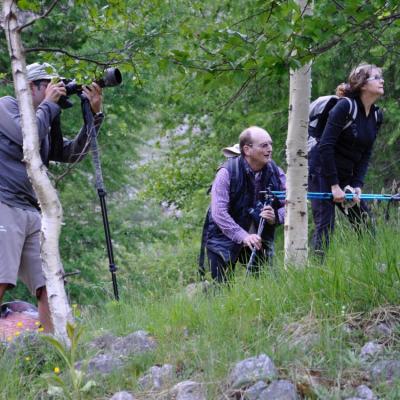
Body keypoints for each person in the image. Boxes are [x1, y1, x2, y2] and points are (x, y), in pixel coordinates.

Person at [0, 62, 104, 331]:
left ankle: (52, 352)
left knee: (50, 284)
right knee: (1, 278)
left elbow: (71, 154)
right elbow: (27, 137)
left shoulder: (45, 117)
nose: (56, 90)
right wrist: (49, 105)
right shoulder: (6, 106)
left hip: (33, 212)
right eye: (50, 85)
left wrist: (94, 116)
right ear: (31, 87)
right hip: (4, 204)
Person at [308, 63, 384, 255]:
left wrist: (357, 184)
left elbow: (366, 153)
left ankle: (373, 269)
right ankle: (317, 273)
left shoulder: (376, 114)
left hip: (346, 177)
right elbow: (325, 145)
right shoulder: (345, 107)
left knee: (366, 225)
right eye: (376, 77)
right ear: (362, 84)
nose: (382, 80)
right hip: (322, 172)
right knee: (325, 227)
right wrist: (334, 185)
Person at [204, 126, 286, 282]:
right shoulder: (227, 172)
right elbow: (218, 212)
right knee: (221, 289)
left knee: (264, 286)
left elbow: (293, 203)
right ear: (247, 149)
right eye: (264, 145)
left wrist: (276, 217)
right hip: (223, 238)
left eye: (270, 144)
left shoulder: (275, 171)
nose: (270, 149)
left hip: (259, 239)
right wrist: (243, 236)